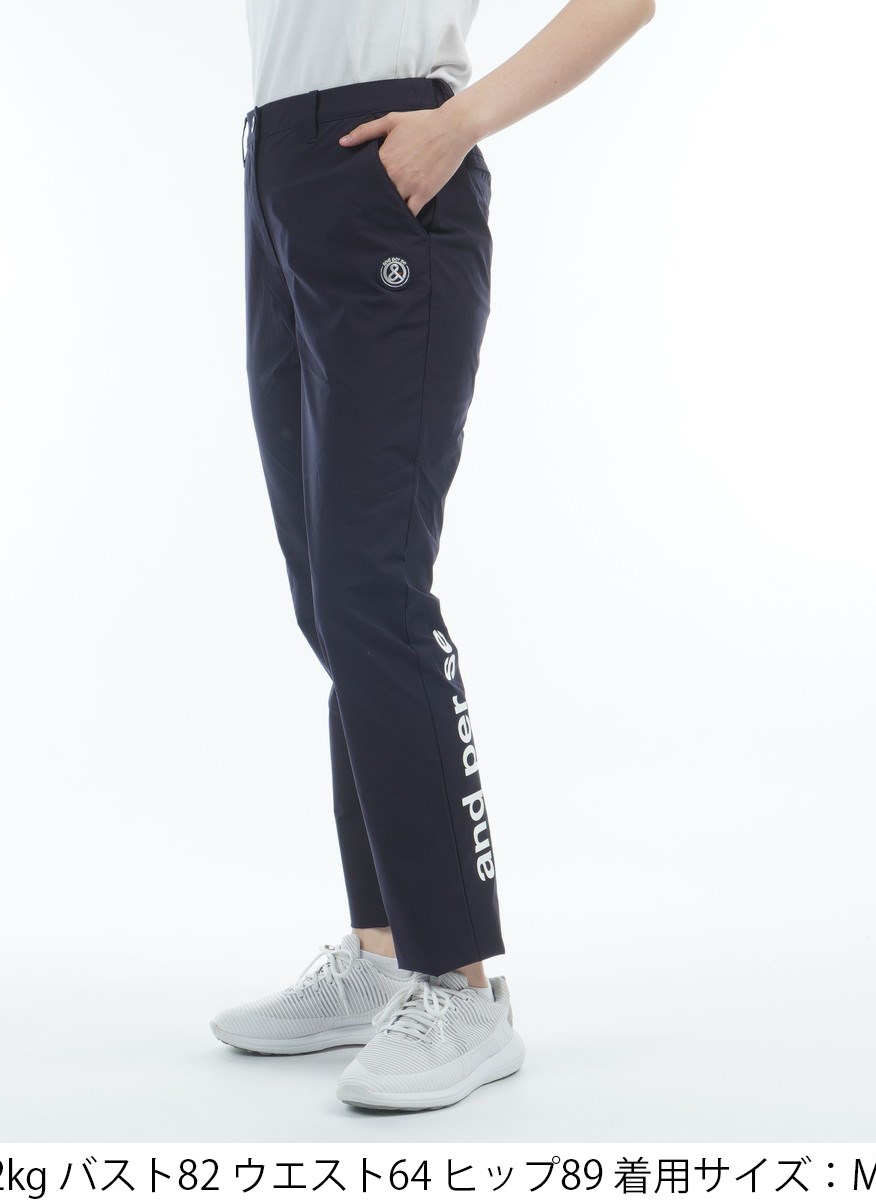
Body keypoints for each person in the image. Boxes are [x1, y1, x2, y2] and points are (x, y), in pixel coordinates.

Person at [212, 0, 656, 1111]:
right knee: (329, 597)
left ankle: (463, 982)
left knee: (373, 588)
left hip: (390, 162)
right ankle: (381, 956)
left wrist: (457, 124)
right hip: (280, 168)